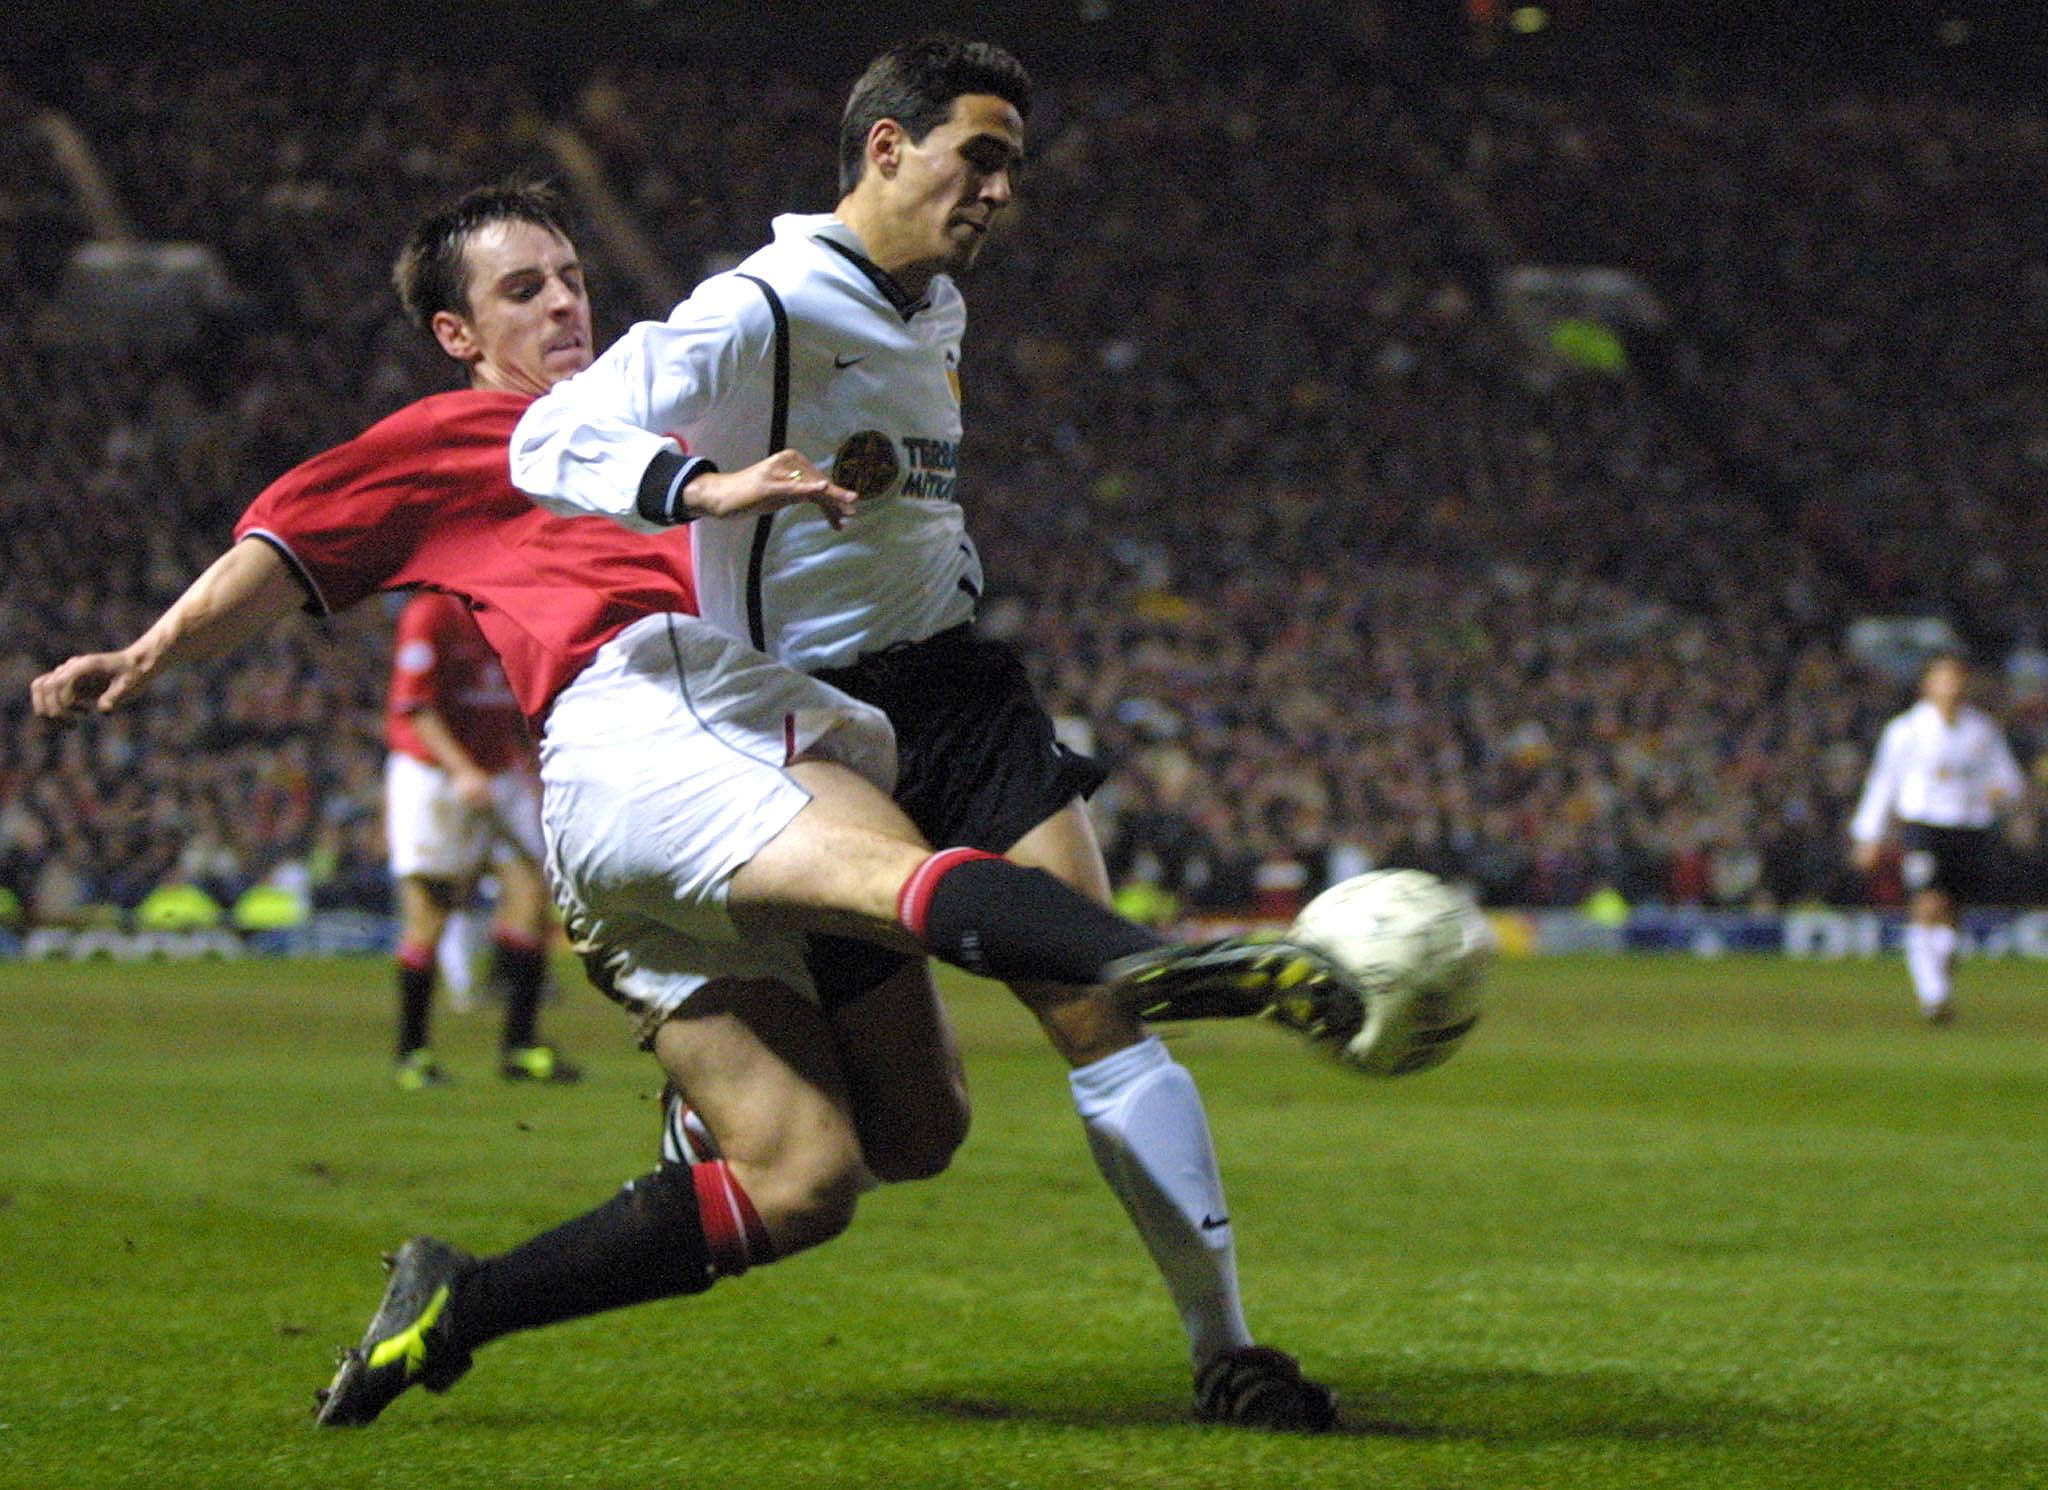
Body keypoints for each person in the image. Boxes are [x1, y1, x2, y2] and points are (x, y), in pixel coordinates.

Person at [30, 183, 1361, 1430]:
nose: (563, 304)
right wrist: (147, 656)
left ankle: (455, 1302)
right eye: (521, 292)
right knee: (895, 870)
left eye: (569, 278)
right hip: (657, 737)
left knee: (854, 1160)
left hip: (738, 748)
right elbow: (284, 547)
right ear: (456, 333)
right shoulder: (462, 440)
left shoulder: (674, 414)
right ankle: (1161, 964)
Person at [511, 36, 1336, 1429]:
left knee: (1099, 996)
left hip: (959, 690)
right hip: (814, 732)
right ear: (887, 148)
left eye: (1014, 163)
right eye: (982, 156)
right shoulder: (761, 305)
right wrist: (697, 488)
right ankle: (724, 1117)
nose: (1003, 190)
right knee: (909, 1134)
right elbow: (552, 436)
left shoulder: (936, 305)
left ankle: (1228, 1349)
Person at [383, 589, 577, 1088]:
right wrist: (462, 770)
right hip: (435, 774)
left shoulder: (504, 613)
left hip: (497, 768)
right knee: (431, 910)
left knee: (532, 895)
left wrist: (525, 759)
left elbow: (510, 699)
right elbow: (416, 706)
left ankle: (521, 1045)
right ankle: (412, 1054)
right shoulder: (431, 614)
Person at [1848, 653, 2026, 1024]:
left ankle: (1939, 980)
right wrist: (1869, 836)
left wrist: (1997, 793)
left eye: (1958, 677)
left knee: (1951, 916)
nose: (1953, 685)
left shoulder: (1981, 730)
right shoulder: (1906, 731)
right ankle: (1934, 997)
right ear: (1927, 684)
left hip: (1970, 828)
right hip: (1925, 827)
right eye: (1944, 677)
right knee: (1927, 904)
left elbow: (2009, 781)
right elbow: (1884, 783)